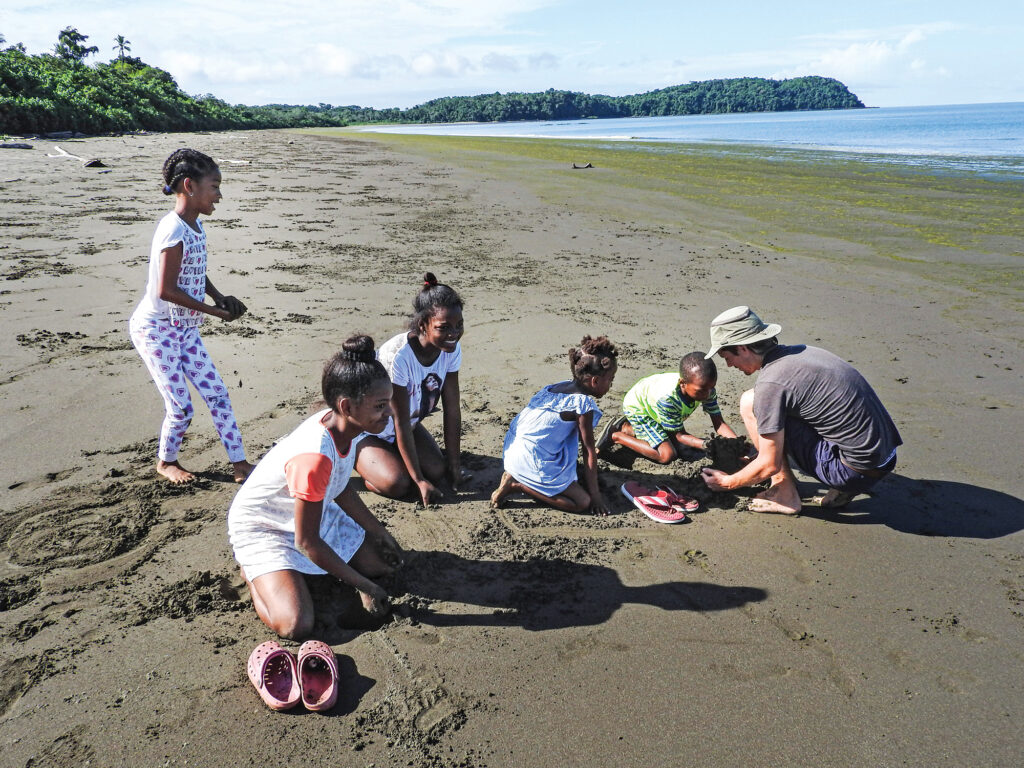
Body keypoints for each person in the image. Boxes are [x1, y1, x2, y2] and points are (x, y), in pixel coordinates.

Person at [228, 336, 404, 639]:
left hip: (310, 510)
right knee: (295, 624)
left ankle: (300, 577)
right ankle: (252, 572)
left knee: (381, 565)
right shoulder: (314, 456)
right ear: (347, 406)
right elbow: (307, 542)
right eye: (380, 405)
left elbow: (339, 488)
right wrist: (364, 586)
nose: (389, 412)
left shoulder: (346, 428)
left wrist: (378, 531)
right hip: (264, 526)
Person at [699, 306, 902, 515]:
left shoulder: (771, 384)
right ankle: (843, 485)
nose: (730, 365)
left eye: (726, 357)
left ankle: (785, 495)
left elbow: (768, 465)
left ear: (742, 348)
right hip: (885, 458)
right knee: (790, 408)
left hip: (855, 471)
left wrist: (727, 483)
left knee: (750, 402)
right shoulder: (804, 353)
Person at [128, 148, 254, 484]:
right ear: (190, 186)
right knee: (181, 407)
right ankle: (166, 461)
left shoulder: (194, 226)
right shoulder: (173, 230)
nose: (219, 195)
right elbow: (166, 291)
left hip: (185, 331)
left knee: (217, 394)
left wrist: (219, 296)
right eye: (215, 186)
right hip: (156, 330)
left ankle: (240, 463)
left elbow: (195, 273)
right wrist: (214, 312)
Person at [355, 273, 467, 507]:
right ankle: (362, 460)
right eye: (443, 327)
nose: (453, 334)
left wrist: (455, 464)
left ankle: (393, 459)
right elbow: (400, 422)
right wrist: (418, 480)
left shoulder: (450, 349)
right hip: (370, 430)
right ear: (422, 325)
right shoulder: (399, 357)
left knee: (437, 471)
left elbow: (452, 409)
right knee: (400, 484)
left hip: (406, 426)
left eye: (459, 326)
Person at [490, 335, 618, 515]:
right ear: (595, 381)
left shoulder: (554, 388)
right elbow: (588, 451)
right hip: (530, 459)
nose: (611, 384)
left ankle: (520, 477)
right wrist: (595, 496)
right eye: (610, 379)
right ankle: (517, 484)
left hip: (512, 453)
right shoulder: (582, 405)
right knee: (581, 502)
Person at [598, 352, 738, 464]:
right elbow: (679, 435)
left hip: (654, 402)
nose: (707, 394)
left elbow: (718, 422)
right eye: (702, 390)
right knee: (667, 454)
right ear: (682, 383)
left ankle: (632, 429)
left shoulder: (705, 388)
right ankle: (617, 435)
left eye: (711, 388)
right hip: (639, 407)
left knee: (681, 445)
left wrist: (735, 444)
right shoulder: (668, 400)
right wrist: (706, 444)